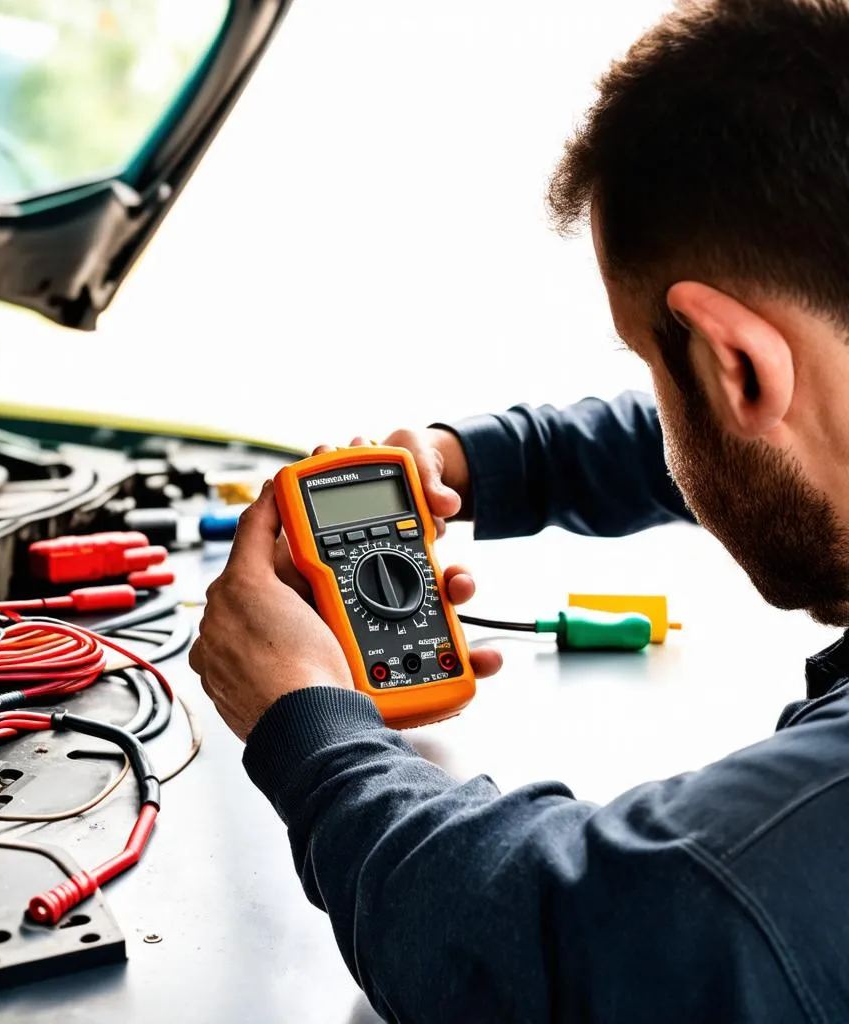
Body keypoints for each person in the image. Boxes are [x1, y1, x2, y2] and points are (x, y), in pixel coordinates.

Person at [189, 1, 849, 1019]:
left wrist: (303, 723)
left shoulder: (751, 881)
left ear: (735, 364)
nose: (660, 413)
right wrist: (482, 461)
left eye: (653, 369)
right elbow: (754, 419)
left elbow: (544, 940)